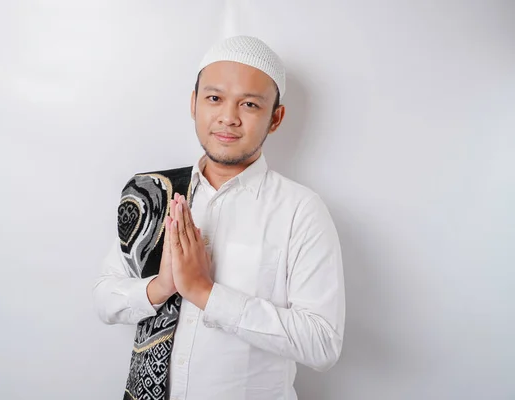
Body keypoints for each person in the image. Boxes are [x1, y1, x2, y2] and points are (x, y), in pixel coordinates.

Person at [93, 35, 345, 400]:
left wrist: (206, 294)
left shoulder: (300, 211)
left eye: (249, 104)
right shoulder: (154, 194)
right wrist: (160, 287)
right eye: (214, 98)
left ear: (275, 118)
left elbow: (323, 343)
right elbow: (104, 297)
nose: (228, 117)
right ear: (194, 103)